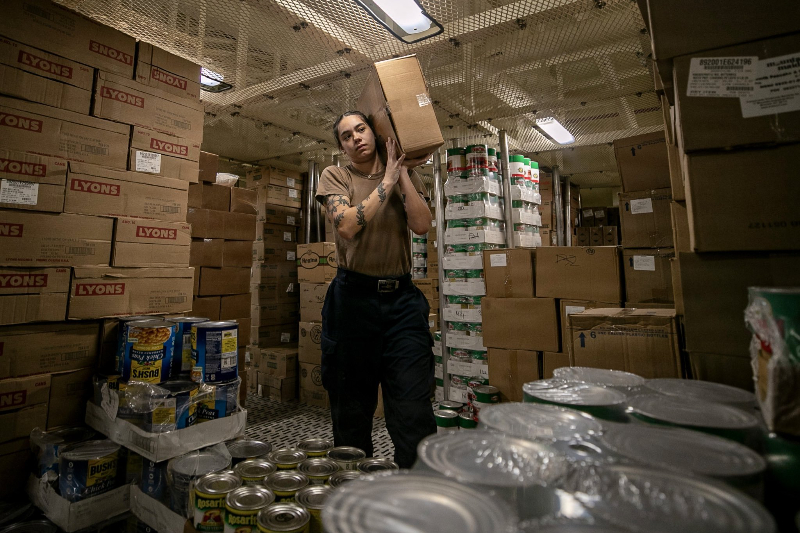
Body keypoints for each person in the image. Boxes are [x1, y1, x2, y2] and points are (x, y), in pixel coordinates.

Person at [315, 110, 436, 468]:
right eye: (347, 135)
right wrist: (386, 179)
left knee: (413, 408)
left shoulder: (403, 175)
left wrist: (401, 176)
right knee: (351, 411)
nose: (356, 138)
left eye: (361, 129)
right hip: (352, 303)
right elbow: (348, 225)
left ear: (375, 132)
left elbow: (422, 225)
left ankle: (416, 493)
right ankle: (355, 495)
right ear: (342, 146)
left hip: (402, 304)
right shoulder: (335, 176)